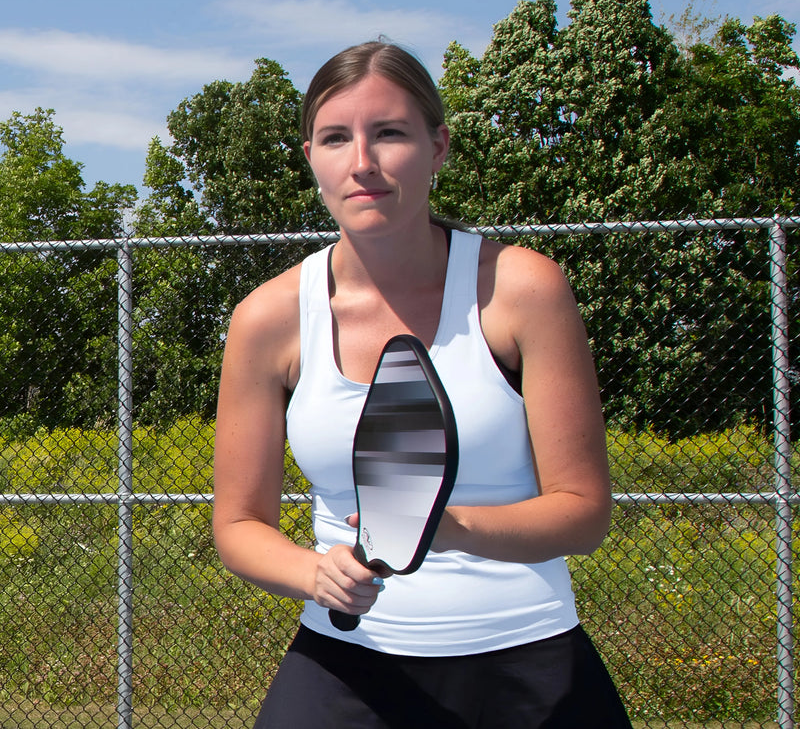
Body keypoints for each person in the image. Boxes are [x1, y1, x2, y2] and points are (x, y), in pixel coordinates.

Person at [212, 40, 632, 728]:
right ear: (310, 157)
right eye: (335, 137)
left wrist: (446, 529)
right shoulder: (268, 318)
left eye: (391, 133)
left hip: (529, 667)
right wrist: (315, 574)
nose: (362, 163)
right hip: (345, 664)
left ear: (437, 147)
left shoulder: (523, 290)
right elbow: (237, 525)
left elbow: (583, 513)